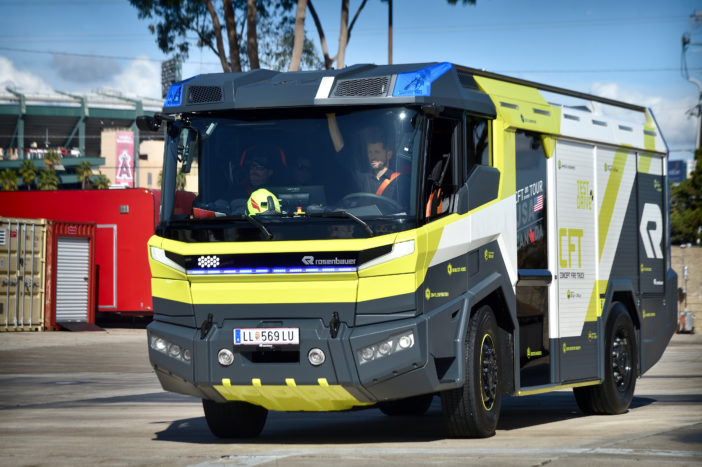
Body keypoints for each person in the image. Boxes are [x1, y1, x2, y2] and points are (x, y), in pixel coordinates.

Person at [355, 130, 402, 199]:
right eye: (370, 152)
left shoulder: (398, 181)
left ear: (389, 154)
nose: (372, 156)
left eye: (377, 152)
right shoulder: (364, 177)